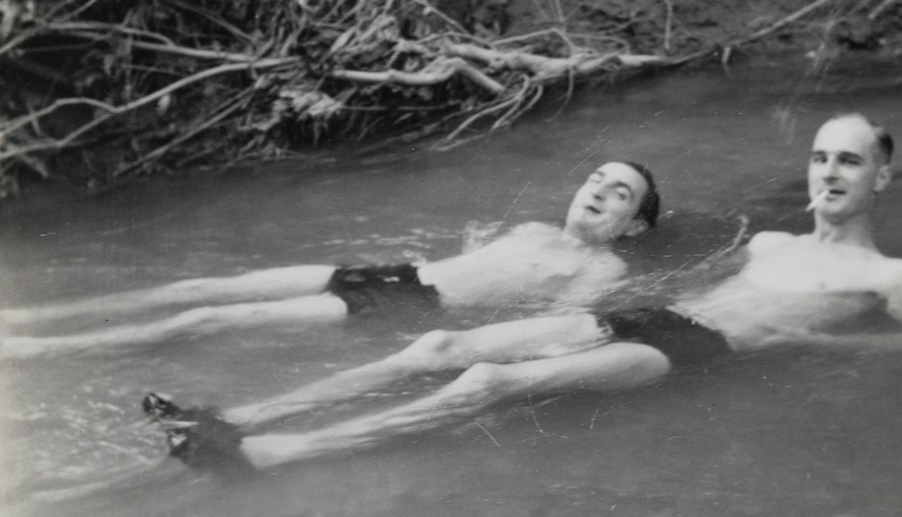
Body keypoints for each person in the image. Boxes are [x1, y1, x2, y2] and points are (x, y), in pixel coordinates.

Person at [148, 113, 902, 472]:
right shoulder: (770, 242)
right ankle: (240, 416)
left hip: (703, 351)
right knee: (436, 344)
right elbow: (702, 286)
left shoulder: (891, 277)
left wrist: (811, 343)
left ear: (883, 177)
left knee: (490, 383)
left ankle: (285, 452)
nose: (829, 173)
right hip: (652, 317)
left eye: (849, 161)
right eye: (820, 159)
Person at [0, 161, 660, 357]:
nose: (599, 189)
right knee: (205, 284)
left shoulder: (606, 270)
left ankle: (38, 354)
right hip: (393, 275)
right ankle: (37, 316)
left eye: (620, 192)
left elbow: (553, 331)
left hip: (408, 303)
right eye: (597, 177)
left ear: (632, 228)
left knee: (206, 320)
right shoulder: (531, 226)